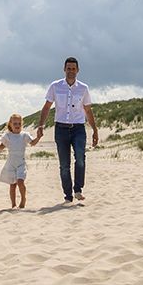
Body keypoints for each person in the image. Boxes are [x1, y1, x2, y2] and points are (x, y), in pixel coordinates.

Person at [34, 56, 99, 203]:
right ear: (64, 69)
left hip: (78, 129)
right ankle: (68, 195)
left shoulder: (83, 88)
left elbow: (88, 110)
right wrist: (40, 125)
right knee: (64, 165)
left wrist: (95, 130)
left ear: (78, 70)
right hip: (61, 129)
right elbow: (46, 107)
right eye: (68, 68)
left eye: (73, 69)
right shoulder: (55, 86)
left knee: (80, 159)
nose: (71, 71)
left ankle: (78, 189)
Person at [0, 113, 40, 208]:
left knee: (20, 182)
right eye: (15, 124)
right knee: (12, 185)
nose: (17, 126)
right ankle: (13, 205)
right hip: (11, 164)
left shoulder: (24, 135)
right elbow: (1, 147)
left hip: (21, 163)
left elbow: (33, 143)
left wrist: (38, 137)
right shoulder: (8, 136)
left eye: (19, 123)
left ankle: (23, 199)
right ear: (10, 124)